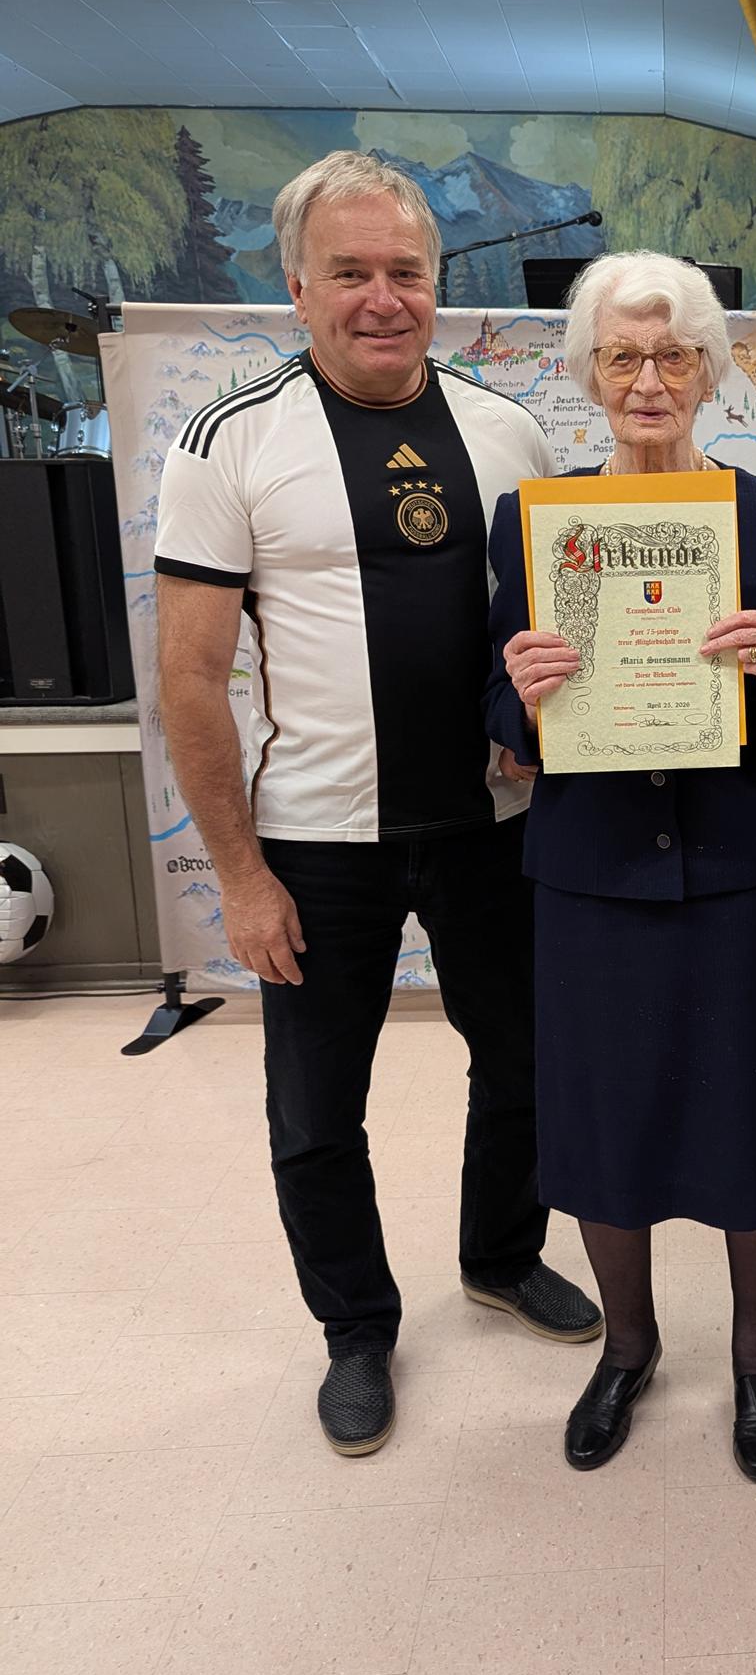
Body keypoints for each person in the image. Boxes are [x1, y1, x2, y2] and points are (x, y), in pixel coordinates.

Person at [154, 150, 600, 1459]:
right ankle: (356, 1329)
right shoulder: (230, 441)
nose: (382, 297)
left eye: (405, 270)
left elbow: (545, 631)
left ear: (436, 282)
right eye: (348, 272)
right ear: (297, 288)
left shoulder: (507, 432)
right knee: (314, 1109)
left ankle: (500, 1257)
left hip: (493, 827)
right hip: (315, 846)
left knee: (524, 1067)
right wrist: (241, 877)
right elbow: (189, 679)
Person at [485, 250, 756, 1483]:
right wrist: (522, 696)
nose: (648, 379)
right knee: (605, 1119)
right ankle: (626, 1349)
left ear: (709, 370)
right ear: (589, 375)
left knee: (755, 1114)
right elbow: (499, 700)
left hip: (748, 869)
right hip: (593, 874)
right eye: (623, 356)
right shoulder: (533, 521)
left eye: (674, 353)